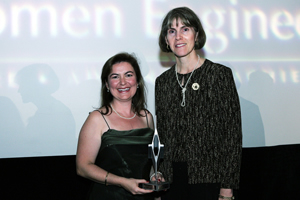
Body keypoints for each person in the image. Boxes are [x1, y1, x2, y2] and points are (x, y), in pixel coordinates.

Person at [155, 7, 242, 200]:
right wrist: (159, 175)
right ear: (166, 40)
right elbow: (161, 135)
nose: (178, 37)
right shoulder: (162, 82)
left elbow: (232, 135)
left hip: (210, 179)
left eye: (185, 29)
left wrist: (227, 187)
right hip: (172, 182)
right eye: (172, 31)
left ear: (196, 34)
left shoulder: (219, 75)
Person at [76, 52, 156, 200]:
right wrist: (122, 182)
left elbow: (148, 163)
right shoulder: (97, 118)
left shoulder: (147, 117)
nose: (123, 82)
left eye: (128, 75)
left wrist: (156, 176)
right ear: (107, 84)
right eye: (115, 77)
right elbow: (83, 167)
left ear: (137, 81)